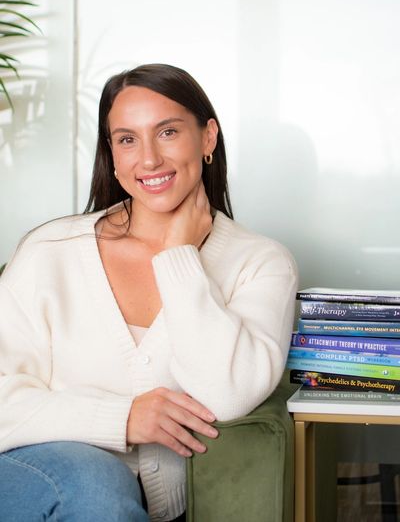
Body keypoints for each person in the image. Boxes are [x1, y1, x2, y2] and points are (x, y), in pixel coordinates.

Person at [0, 63, 298, 521]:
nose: (149, 159)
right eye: (127, 139)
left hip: (137, 507)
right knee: (94, 480)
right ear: (112, 153)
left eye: (168, 132)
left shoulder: (260, 263)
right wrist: (122, 418)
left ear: (208, 138)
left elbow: (229, 395)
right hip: (30, 480)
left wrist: (179, 257)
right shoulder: (49, 251)